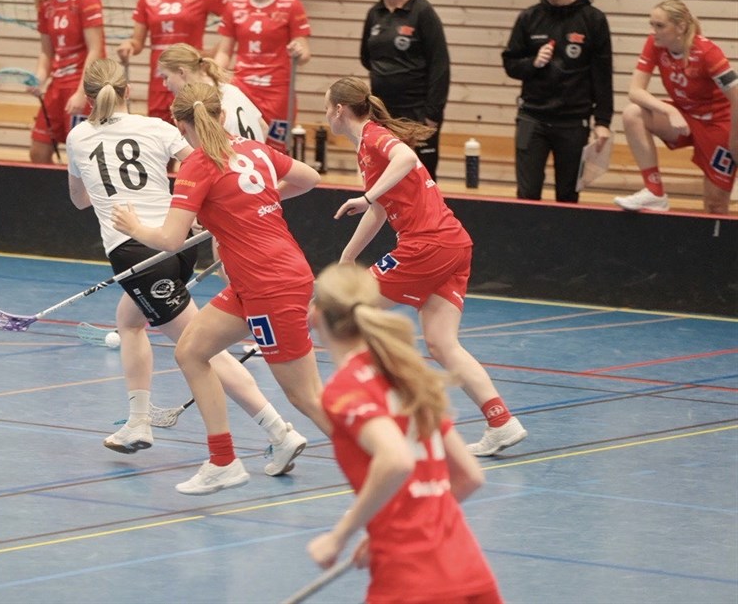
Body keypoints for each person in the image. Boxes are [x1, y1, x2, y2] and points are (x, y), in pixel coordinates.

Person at [66, 59, 306, 477]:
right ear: (128, 92)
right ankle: (138, 421)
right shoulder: (157, 127)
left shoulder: (78, 136)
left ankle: (279, 431)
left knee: (200, 348)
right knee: (129, 321)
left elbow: (80, 201)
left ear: (89, 99)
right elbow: (209, 161)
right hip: (177, 246)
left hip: (139, 253)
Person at [111, 82, 327, 495]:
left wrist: (134, 227)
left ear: (179, 124)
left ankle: (378, 464)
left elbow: (170, 239)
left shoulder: (197, 164)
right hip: (258, 279)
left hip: (269, 286)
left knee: (306, 397)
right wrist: (251, 205)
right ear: (222, 115)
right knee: (191, 352)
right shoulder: (254, 148)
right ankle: (223, 460)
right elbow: (309, 178)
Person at [326, 76, 527, 457]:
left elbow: (406, 159)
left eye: (326, 108)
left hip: (427, 245)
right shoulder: (365, 150)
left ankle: (394, 416)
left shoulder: (374, 136)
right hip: (453, 244)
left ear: (339, 110)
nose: (326, 116)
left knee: (347, 309)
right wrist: (348, 257)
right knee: (441, 343)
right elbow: (379, 210)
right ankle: (502, 421)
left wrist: (365, 196)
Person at [307, 262, 503, 604]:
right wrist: (378, 529)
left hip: (411, 580)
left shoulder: (345, 388)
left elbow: (396, 459)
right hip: (468, 570)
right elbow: (470, 476)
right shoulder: (407, 373)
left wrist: (339, 537)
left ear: (316, 315)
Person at [614, 0, 737, 215]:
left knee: (715, 205)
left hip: (718, 123)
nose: (653, 31)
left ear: (680, 27)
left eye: (660, 26)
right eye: (652, 25)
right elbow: (635, 91)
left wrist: (734, 141)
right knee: (633, 114)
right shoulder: (655, 44)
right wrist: (669, 110)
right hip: (685, 117)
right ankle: (655, 192)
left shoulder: (707, 52)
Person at [502, 0, 614, 203]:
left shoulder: (593, 20)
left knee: (568, 196)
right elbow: (511, 64)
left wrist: (603, 121)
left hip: (573, 121)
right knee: (527, 195)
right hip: (532, 118)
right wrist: (533, 62)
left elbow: (602, 75)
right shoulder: (529, 18)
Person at [360, 0, 449, 181]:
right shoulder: (375, 13)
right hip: (383, 111)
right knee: (384, 175)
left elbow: (440, 65)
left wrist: (432, 113)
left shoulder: (422, 12)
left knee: (420, 176)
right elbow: (366, 58)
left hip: (417, 111)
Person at [214, 0, 311, 153]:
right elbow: (224, 52)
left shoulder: (291, 5)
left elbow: (305, 53)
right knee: (241, 145)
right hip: (243, 88)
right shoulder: (234, 6)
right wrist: (211, 77)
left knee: (277, 148)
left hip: (277, 90)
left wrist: (298, 51)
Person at [116, 0, 227, 123]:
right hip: (160, 80)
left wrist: (215, 52)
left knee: (193, 125)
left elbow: (234, 18)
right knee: (158, 128)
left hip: (188, 77)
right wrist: (129, 45)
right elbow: (137, 42)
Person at [29, 0, 105, 164]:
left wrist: (82, 92)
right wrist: (38, 79)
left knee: (81, 156)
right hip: (57, 84)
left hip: (81, 82)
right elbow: (46, 52)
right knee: (38, 152)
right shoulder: (46, 3)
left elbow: (95, 50)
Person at [158, 43, 267, 142]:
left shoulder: (200, 105)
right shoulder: (231, 89)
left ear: (181, 72)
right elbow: (263, 127)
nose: (164, 84)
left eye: (165, 77)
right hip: (259, 155)